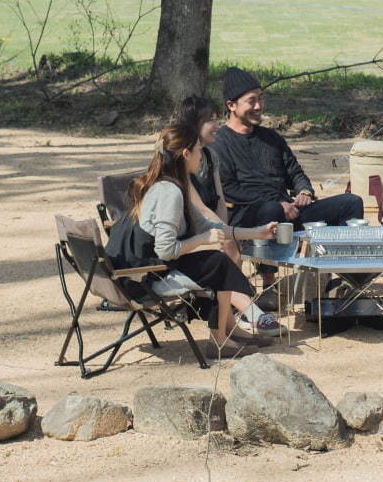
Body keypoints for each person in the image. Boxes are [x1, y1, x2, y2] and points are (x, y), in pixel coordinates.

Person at [110, 122, 280, 349]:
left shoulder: (171, 183)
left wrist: (257, 232)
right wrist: (201, 240)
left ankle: (230, 331)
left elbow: (209, 226)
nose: (202, 156)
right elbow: (165, 250)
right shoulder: (170, 192)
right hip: (142, 278)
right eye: (199, 150)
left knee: (215, 261)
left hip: (147, 267)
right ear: (186, 153)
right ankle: (220, 342)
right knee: (218, 264)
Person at [211, 67, 365, 229]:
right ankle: (265, 254)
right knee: (272, 209)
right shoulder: (219, 142)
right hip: (251, 215)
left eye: (261, 99)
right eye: (251, 101)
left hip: (289, 211)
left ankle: (340, 252)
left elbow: (295, 173)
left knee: (351, 202)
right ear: (231, 105)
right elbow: (229, 189)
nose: (258, 106)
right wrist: (277, 203)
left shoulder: (271, 138)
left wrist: (304, 192)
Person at [174, 94, 240, 267]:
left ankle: (236, 290)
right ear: (194, 124)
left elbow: (220, 201)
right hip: (184, 234)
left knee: (229, 243)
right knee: (230, 244)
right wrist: (224, 234)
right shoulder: (180, 157)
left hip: (208, 226)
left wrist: (223, 229)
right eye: (211, 121)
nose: (217, 126)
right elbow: (200, 209)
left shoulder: (210, 155)